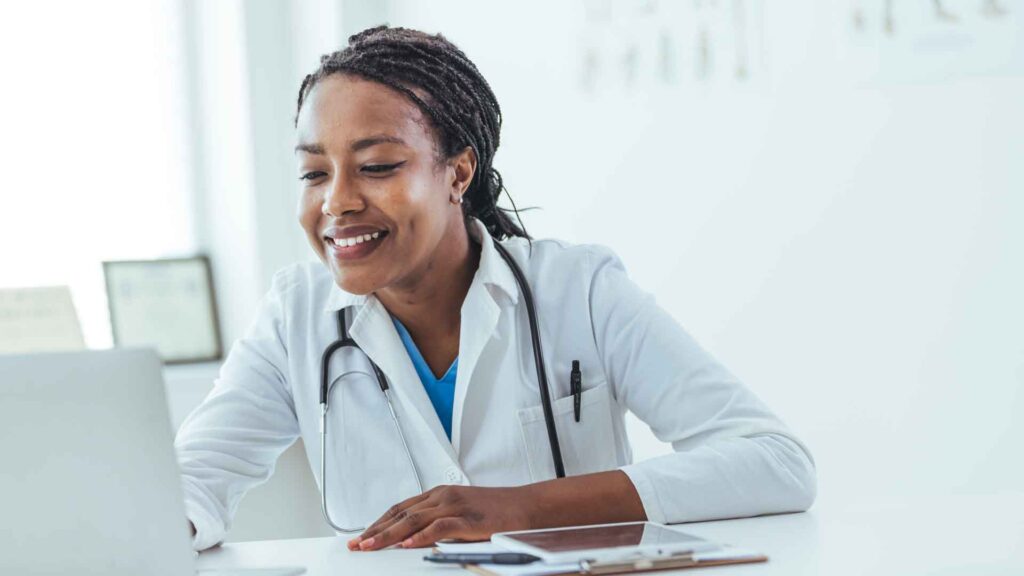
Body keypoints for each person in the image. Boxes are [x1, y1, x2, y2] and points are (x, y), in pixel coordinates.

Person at [175, 25, 816, 553]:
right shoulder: (297, 316)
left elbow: (772, 461)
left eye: (377, 167)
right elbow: (188, 483)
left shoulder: (579, 289)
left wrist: (524, 508)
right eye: (314, 173)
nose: (337, 201)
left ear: (457, 172)